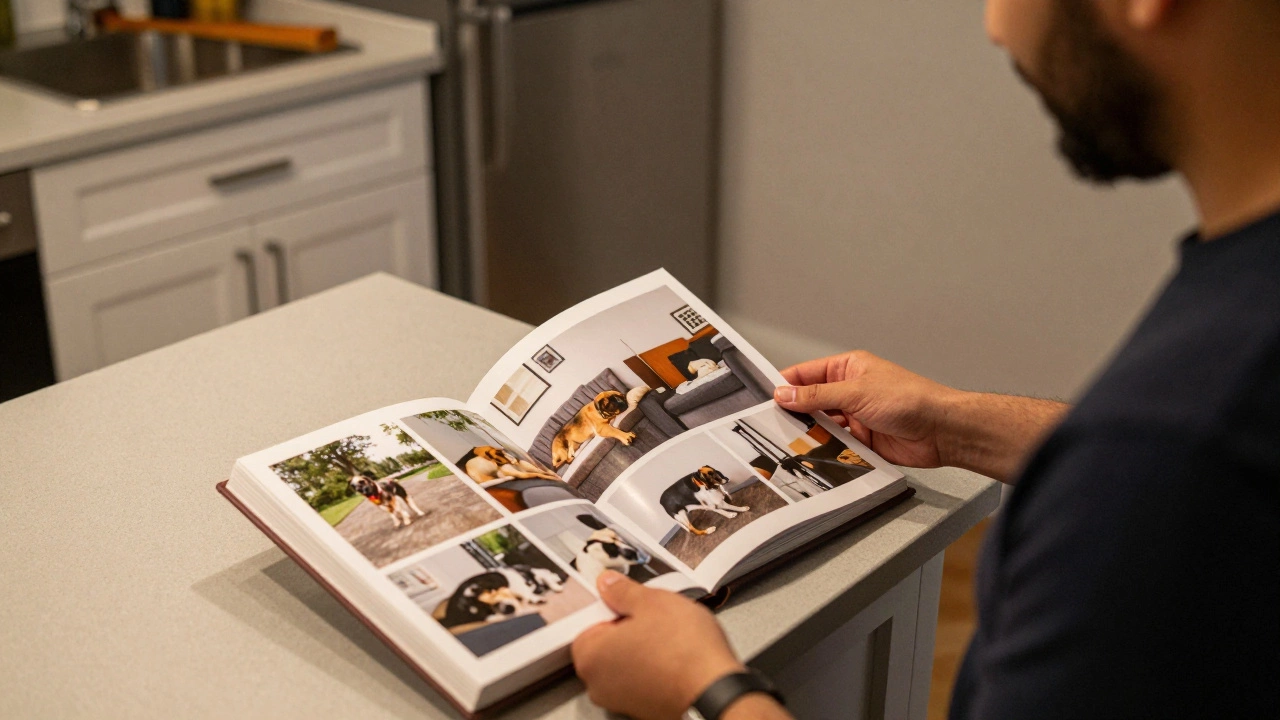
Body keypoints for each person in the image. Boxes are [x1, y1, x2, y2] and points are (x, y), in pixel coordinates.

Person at [571, 1, 1280, 718]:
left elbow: (1170, 471)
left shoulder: (1170, 451)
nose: (994, 24)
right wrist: (956, 424)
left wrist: (706, 690)